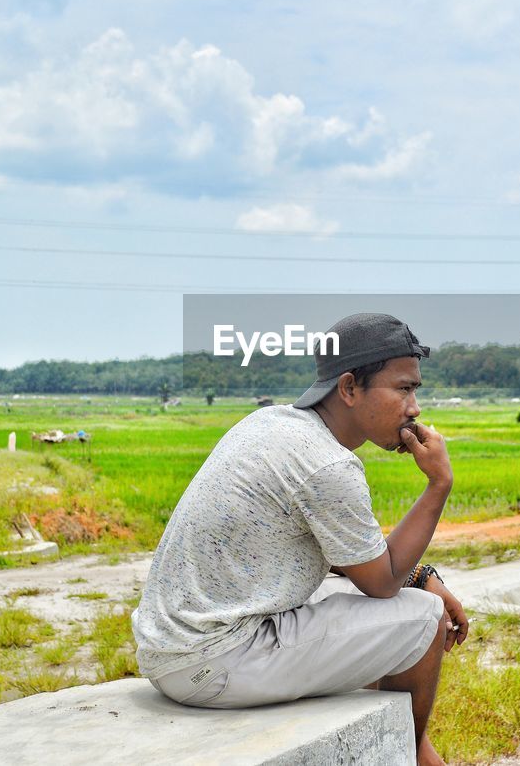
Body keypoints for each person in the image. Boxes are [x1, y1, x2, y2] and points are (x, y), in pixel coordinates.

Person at [131, 313, 466, 766]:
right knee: (424, 619)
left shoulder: (270, 424)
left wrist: (421, 574)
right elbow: (382, 581)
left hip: (171, 649)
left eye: (416, 391)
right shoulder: (327, 464)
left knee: (376, 597)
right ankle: (413, 755)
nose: (415, 408)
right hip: (216, 662)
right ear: (349, 388)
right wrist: (438, 485)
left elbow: (346, 559)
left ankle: (413, 744)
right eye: (403, 389)